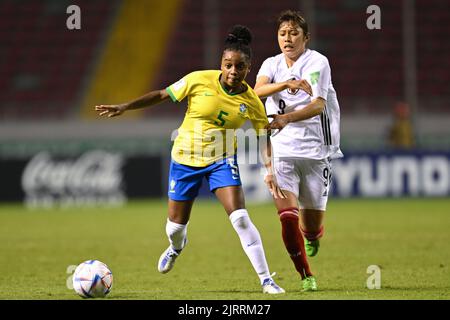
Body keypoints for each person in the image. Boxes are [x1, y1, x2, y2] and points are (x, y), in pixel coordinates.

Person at [95, 25, 286, 294]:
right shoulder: (199, 80)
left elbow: (263, 137)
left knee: (241, 218)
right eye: (228, 65)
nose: (233, 71)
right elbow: (162, 94)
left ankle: (266, 280)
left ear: (249, 68)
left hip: (221, 159)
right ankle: (176, 247)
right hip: (184, 159)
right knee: (175, 228)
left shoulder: (252, 101)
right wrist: (125, 106)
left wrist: (270, 169)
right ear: (221, 64)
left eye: (240, 67)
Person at [254, 10, 344, 291]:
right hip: (282, 151)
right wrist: (286, 84)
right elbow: (256, 91)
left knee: (311, 226)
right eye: (282, 33)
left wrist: (286, 118)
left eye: (293, 33)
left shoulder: (317, 62)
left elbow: (318, 105)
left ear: (306, 37)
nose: (287, 38)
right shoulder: (271, 64)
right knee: (287, 216)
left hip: (317, 150)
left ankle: (313, 235)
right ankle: (306, 275)